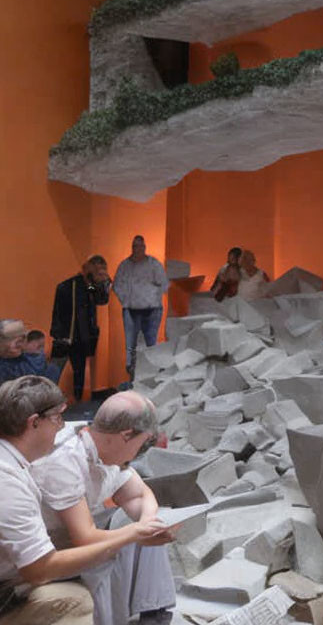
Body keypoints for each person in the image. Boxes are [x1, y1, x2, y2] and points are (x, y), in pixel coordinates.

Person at [0, 376, 166, 625]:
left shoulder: (15, 463)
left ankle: (154, 613)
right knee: (78, 599)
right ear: (34, 423)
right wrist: (134, 534)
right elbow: (40, 568)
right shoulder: (11, 478)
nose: (61, 427)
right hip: (12, 581)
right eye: (57, 418)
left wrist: (145, 525)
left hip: (27, 560)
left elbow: (139, 493)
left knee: (136, 533)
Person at [50, 257, 111, 401]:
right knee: (54, 372)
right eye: (96, 270)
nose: (98, 273)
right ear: (88, 268)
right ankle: (47, 400)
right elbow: (58, 312)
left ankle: (76, 400)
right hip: (66, 337)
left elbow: (101, 299)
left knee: (79, 374)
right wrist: (59, 334)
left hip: (82, 338)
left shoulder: (88, 286)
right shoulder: (67, 286)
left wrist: (104, 282)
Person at [112, 236, 167, 378]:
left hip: (152, 309)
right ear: (132, 248)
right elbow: (117, 285)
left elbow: (164, 284)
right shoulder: (124, 266)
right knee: (131, 345)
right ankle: (132, 372)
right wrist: (127, 299)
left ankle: (150, 373)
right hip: (131, 309)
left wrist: (151, 296)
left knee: (150, 342)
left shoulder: (154, 264)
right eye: (135, 246)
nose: (138, 249)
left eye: (141, 246)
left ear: (144, 247)